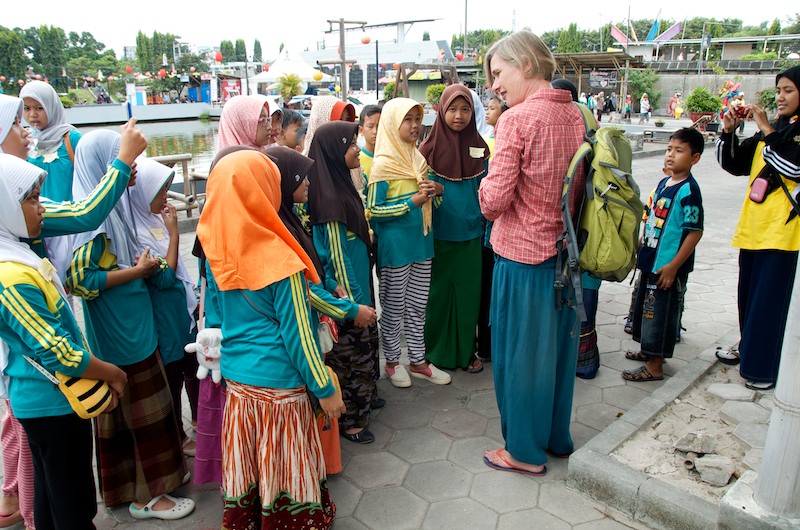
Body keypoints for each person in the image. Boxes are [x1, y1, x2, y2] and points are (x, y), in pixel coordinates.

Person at [0, 97, 147, 530]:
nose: (26, 128)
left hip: (38, 389)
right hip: (47, 393)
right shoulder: (11, 272)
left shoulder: (16, 229)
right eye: (15, 122)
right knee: (72, 500)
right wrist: (111, 373)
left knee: (51, 489)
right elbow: (56, 351)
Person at [196, 149, 345, 529]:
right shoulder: (282, 260)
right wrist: (324, 386)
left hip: (240, 386)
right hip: (281, 389)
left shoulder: (217, 250)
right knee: (287, 469)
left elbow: (216, 317)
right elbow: (299, 339)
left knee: (252, 467)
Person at [66, 130, 193, 520]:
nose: (131, 167)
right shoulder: (93, 220)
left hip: (131, 327)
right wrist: (136, 271)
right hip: (125, 335)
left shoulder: (113, 211)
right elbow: (80, 281)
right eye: (122, 160)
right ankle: (150, 496)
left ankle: (123, 488)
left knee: (123, 416)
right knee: (146, 413)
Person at [478, 30, 586, 476]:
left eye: (498, 73)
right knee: (556, 356)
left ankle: (523, 452)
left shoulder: (517, 120)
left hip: (523, 260)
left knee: (519, 358)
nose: (494, 86)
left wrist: (484, 180)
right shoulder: (577, 114)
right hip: (565, 256)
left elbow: (493, 202)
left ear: (524, 64)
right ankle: (556, 438)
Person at [265, 145, 376, 463]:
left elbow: (313, 268)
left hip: (328, 301)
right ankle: (346, 427)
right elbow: (302, 291)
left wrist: (329, 285)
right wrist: (350, 308)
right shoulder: (282, 230)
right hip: (293, 349)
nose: (309, 182)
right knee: (344, 366)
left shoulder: (290, 219)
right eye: (301, 177)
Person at [193, 94, 277, 486]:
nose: (268, 125)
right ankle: (236, 468)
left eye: (268, 117)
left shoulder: (257, 159)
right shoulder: (228, 165)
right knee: (229, 375)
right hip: (233, 282)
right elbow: (217, 240)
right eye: (260, 119)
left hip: (252, 277)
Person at [715, 65, 800, 390]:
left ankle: (762, 370)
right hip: (753, 229)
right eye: (778, 90)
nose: (780, 97)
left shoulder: (780, 132)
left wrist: (767, 130)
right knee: (748, 299)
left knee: (768, 305)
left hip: (784, 235)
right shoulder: (777, 128)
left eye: (788, 90)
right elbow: (734, 164)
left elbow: (793, 167)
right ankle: (749, 350)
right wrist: (728, 131)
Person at [367, 98, 451, 388]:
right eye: (408, 120)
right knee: (393, 305)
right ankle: (392, 362)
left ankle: (418, 361)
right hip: (395, 248)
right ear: (393, 123)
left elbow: (431, 202)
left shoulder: (418, 159)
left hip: (421, 244)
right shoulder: (383, 165)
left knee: (417, 304)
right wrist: (410, 203)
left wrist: (437, 191)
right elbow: (373, 211)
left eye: (418, 119)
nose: (416, 126)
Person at [307, 122, 380, 443]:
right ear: (334, 151)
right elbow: (336, 256)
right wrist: (354, 306)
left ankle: (364, 401)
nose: (356, 148)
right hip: (350, 296)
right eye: (350, 143)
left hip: (359, 288)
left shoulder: (340, 185)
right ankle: (351, 421)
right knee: (352, 355)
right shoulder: (332, 201)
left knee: (363, 354)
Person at [129, 157, 199, 457]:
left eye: (169, 188)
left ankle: (200, 421)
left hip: (180, 309)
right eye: (161, 190)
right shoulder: (136, 232)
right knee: (172, 373)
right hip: (164, 316)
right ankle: (178, 436)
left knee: (193, 367)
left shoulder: (155, 219)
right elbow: (166, 276)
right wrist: (173, 234)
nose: (166, 196)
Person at [623, 128, 705, 382]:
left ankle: (656, 365)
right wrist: (639, 244)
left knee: (659, 314)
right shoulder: (664, 182)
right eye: (670, 149)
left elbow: (694, 232)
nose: (670, 155)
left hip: (666, 268)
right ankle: (648, 351)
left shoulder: (689, 191)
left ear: (695, 158)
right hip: (650, 262)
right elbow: (650, 217)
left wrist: (673, 267)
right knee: (645, 310)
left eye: (679, 151)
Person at [419, 84, 489, 374]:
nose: (458, 116)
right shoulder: (427, 150)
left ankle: (465, 352)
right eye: (452, 109)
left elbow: (485, 190)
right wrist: (434, 189)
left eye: (465, 109)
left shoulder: (481, 148)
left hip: (471, 235)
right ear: (441, 111)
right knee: (437, 295)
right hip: (438, 236)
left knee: (468, 296)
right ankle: (435, 351)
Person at [477, 94, 508, 362]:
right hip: (491, 235)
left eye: (493, 107)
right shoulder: (488, 142)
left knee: (492, 291)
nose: (488, 112)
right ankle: (488, 346)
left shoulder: (500, 144)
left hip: (496, 234)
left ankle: (489, 346)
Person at [358, 105, 382, 184]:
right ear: (361, 130)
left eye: (379, 126)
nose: (375, 131)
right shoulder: (357, 161)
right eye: (370, 126)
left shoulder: (391, 158)